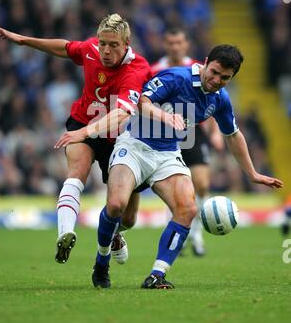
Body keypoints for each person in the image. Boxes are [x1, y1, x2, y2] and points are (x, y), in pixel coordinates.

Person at [55, 44, 283, 289]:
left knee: (187, 208)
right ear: (206, 62)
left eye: (225, 78)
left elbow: (233, 135)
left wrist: (253, 173)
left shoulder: (220, 100)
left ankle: (157, 275)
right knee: (116, 206)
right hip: (134, 146)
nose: (217, 80)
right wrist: (166, 117)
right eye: (214, 72)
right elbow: (142, 102)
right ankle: (102, 261)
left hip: (167, 155)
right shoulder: (176, 77)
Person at [0, 14, 152, 265]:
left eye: (113, 45)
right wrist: (24, 40)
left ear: (127, 43)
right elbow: (65, 47)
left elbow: (121, 114)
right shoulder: (91, 50)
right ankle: (65, 232)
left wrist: (84, 132)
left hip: (117, 137)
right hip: (83, 121)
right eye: (102, 43)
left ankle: (115, 233)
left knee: (128, 216)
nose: (105, 51)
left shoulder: (137, 69)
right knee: (77, 170)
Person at [152, 27, 224, 256]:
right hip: (162, 132)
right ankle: (176, 231)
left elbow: (211, 101)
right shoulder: (155, 69)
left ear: (186, 44)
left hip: (193, 130)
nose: (175, 46)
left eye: (179, 42)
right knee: (171, 184)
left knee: (201, 183)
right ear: (165, 44)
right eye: (171, 42)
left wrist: (215, 132)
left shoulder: (201, 68)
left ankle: (197, 235)